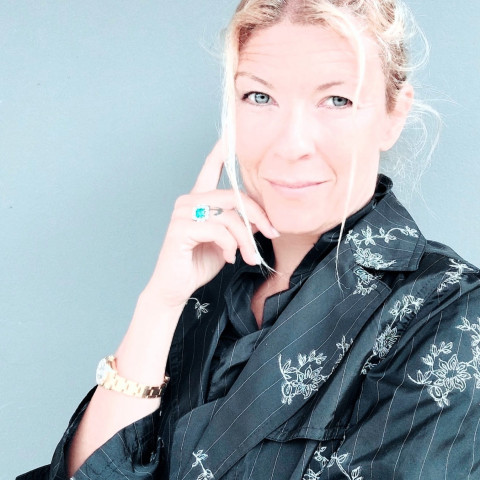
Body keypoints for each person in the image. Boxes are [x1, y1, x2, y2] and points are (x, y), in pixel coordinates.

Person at [18, 0, 480, 479]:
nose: (291, 144)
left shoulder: (451, 310)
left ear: (392, 115)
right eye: (259, 97)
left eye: (337, 100)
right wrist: (160, 303)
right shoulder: (209, 286)